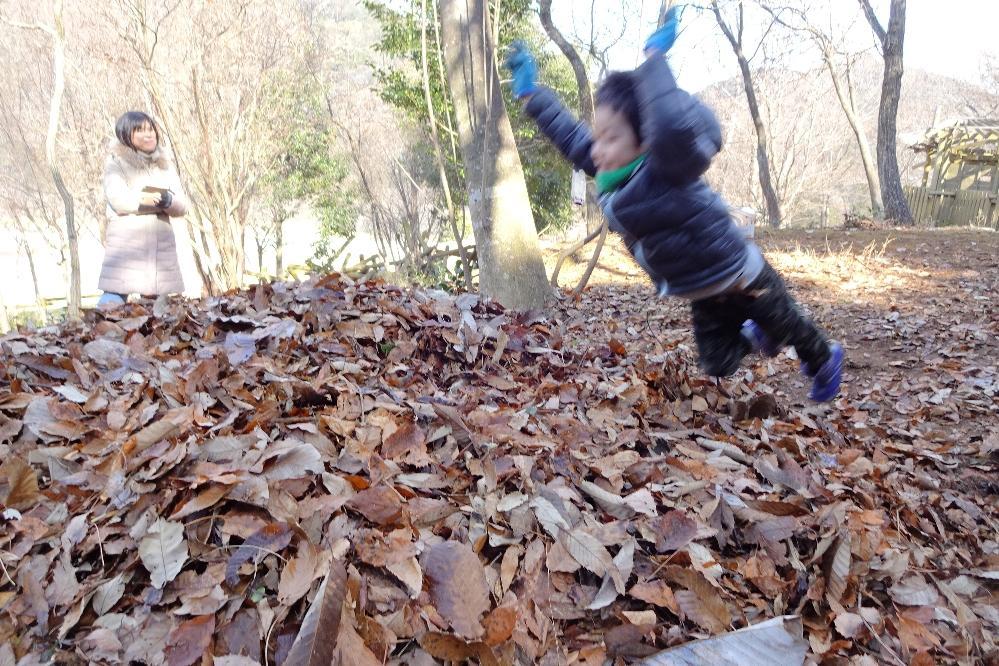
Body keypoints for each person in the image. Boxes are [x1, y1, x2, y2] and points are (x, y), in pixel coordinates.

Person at [504, 8, 843, 402]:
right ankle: (754, 334)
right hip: (703, 292)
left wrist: (654, 58)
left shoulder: (664, 165)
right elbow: (569, 135)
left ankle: (826, 358)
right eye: (598, 137)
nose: (598, 148)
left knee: (796, 332)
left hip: (742, 275)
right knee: (718, 363)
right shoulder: (612, 172)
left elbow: (667, 124)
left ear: (645, 139)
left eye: (611, 137)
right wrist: (531, 93)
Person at [98, 111, 188, 306]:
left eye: (151, 130)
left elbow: (182, 205)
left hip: (160, 244)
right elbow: (118, 200)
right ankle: (98, 335)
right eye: (140, 131)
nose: (149, 135)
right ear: (125, 134)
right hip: (127, 244)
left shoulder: (164, 165)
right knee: (113, 299)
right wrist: (151, 200)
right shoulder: (116, 163)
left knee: (159, 307)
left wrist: (167, 201)